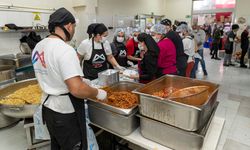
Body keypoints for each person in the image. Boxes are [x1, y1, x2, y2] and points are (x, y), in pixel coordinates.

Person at [32, 8, 107, 150]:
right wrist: (98, 93)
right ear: (69, 26)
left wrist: (80, 80)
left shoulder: (38, 47)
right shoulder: (64, 49)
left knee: (57, 145)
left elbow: (52, 73)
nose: (73, 31)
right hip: (65, 112)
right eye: (74, 27)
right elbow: (77, 89)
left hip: (48, 109)